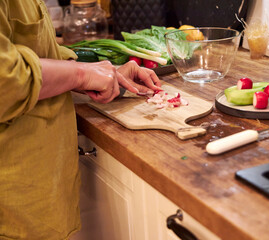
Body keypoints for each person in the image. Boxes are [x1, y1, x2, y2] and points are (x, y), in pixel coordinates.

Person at [0, 1, 161, 239]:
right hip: (13, 207)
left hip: (40, 197)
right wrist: (82, 76)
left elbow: (34, 51)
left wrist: (102, 72)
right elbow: (6, 78)